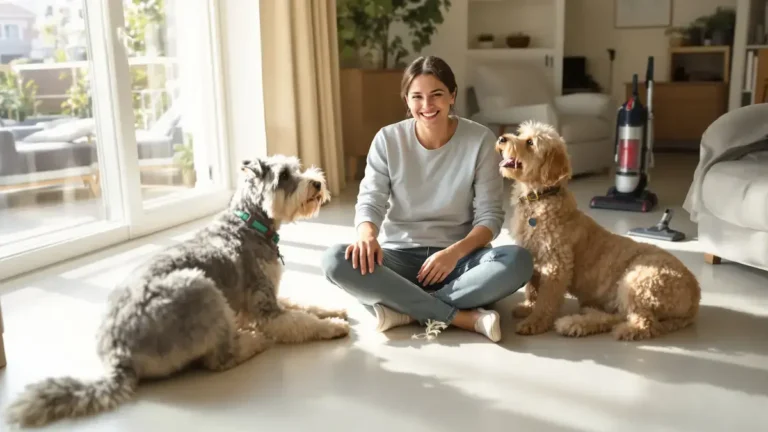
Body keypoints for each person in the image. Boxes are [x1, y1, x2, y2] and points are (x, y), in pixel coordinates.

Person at [320, 56, 533, 342]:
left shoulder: (480, 140)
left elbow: (490, 218)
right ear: (406, 100)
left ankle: (404, 309)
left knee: (518, 261)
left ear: (452, 96)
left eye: (437, 95)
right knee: (334, 260)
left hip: (459, 261)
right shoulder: (387, 139)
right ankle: (458, 316)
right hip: (398, 257)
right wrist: (367, 235)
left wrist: (453, 253)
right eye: (417, 97)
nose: (427, 106)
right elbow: (371, 200)